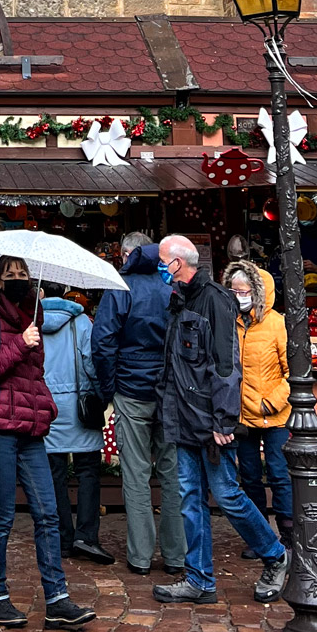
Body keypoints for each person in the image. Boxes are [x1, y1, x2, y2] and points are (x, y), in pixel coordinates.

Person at [154, 234, 289, 606]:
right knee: (190, 500)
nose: (159, 267)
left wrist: (224, 421)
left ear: (178, 264)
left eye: (162, 260)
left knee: (228, 495)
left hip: (210, 422)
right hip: (182, 418)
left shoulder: (214, 300)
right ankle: (199, 579)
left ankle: (276, 555)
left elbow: (226, 367)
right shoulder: (179, 300)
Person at [0, 256, 95, 631]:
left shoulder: (33, 313)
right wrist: (21, 344)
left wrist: (46, 404)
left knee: (49, 515)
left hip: (32, 428)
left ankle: (57, 601)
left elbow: (32, 374)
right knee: (3, 516)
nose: (19, 279)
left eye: (23, 273)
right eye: (11, 275)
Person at [89, 231, 186, 579]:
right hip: (170, 391)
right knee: (172, 476)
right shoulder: (173, 285)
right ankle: (176, 556)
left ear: (127, 254)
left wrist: (109, 388)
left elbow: (102, 344)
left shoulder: (120, 287)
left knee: (136, 475)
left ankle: (140, 556)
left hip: (131, 390)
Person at [40, 288, 113, 564]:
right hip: (80, 408)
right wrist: (101, 397)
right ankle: (86, 536)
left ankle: (63, 538)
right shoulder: (81, 322)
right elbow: (92, 365)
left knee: (55, 474)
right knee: (88, 473)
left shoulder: (33, 322)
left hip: (48, 408)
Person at [226, 260, 292, 548]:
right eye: (234, 291)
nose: (238, 296)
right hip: (241, 417)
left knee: (279, 475)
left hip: (273, 415)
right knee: (250, 477)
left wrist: (271, 403)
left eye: (244, 291)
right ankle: (260, 538)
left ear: (257, 292)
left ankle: (289, 536)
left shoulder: (278, 324)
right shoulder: (229, 324)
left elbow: (295, 372)